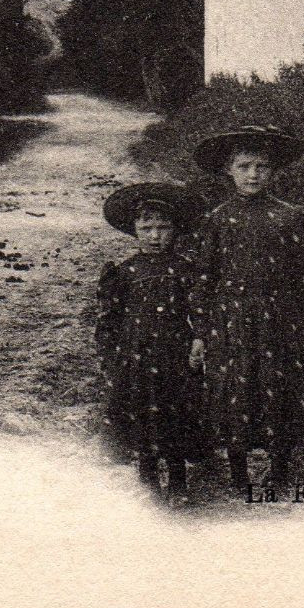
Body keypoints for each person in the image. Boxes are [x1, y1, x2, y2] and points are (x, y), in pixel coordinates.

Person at [189, 125, 304, 497]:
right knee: (234, 388)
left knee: (279, 387)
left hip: (280, 319)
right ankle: (238, 471)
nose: (253, 175)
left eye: (262, 167)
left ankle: (279, 468)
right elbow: (204, 277)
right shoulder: (217, 219)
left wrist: (295, 317)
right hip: (230, 320)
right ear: (228, 170)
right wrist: (202, 330)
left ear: (274, 171)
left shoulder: (290, 217)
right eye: (244, 166)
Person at [96, 182, 208, 502]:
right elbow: (109, 318)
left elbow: (200, 308)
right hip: (137, 354)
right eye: (146, 228)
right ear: (134, 230)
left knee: (176, 414)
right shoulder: (124, 271)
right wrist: (109, 354)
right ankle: (146, 476)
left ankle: (177, 481)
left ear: (175, 230)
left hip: (175, 353)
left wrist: (199, 339)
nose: (155, 235)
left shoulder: (187, 269)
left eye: (163, 227)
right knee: (141, 412)